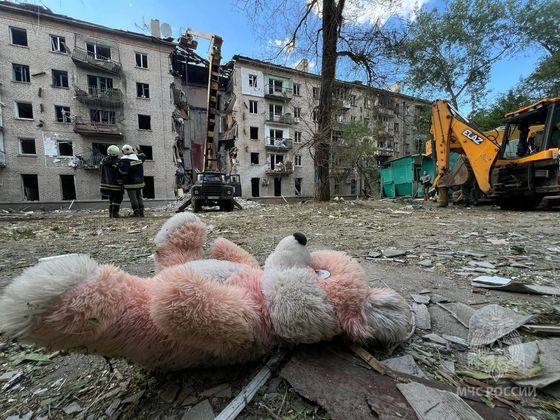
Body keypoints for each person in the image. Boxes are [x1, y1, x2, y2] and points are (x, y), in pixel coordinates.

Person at [119, 144, 146, 217]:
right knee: (139, 196)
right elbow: (143, 155)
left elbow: (123, 171)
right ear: (132, 150)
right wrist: (139, 150)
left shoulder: (124, 160)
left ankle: (136, 213)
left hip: (130, 183)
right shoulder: (139, 158)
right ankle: (141, 212)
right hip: (139, 182)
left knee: (133, 198)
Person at [100, 145, 124, 218]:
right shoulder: (118, 162)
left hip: (105, 184)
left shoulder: (103, 161)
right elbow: (119, 173)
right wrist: (122, 182)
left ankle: (111, 214)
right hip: (116, 185)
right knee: (118, 198)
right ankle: (115, 213)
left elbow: (100, 171)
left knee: (111, 199)